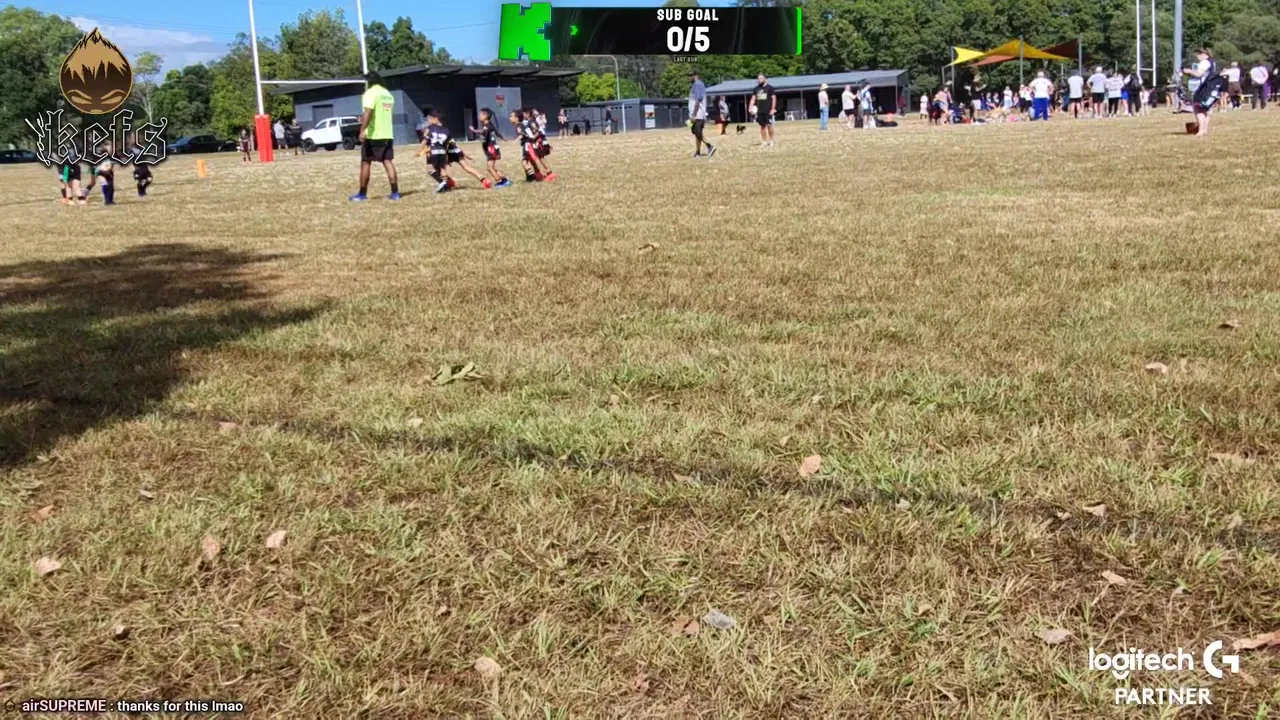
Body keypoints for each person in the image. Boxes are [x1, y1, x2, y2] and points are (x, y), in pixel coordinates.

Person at [350, 71, 400, 202]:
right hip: (387, 133)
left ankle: (362, 194)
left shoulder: (370, 93)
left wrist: (362, 130)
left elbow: (368, 113)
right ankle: (395, 193)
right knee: (387, 161)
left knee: (366, 162)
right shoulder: (387, 94)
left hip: (374, 135)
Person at [1186, 48, 1226, 137]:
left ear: (1203, 54)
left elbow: (1199, 74)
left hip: (1204, 88)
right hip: (1210, 87)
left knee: (1198, 109)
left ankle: (1201, 131)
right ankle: (1204, 130)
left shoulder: (1205, 62)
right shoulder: (1212, 62)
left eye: (1198, 54)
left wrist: (1188, 71)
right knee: (1205, 110)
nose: (1197, 57)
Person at [474, 108, 512, 188]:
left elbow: (484, 137)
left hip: (491, 149)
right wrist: (503, 138)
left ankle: (500, 182)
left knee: (490, 168)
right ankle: (505, 180)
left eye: (481, 115)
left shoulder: (486, 127)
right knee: (492, 167)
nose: (479, 116)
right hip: (494, 148)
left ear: (485, 116)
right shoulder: (490, 125)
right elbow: (497, 133)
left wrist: (481, 138)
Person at [688, 70, 716, 157]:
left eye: (690, 75)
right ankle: (698, 152)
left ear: (696, 75)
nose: (689, 77)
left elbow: (697, 101)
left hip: (698, 114)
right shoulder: (699, 84)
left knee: (698, 133)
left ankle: (709, 146)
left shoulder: (697, 85)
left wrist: (694, 114)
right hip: (699, 114)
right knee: (697, 133)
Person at [748, 73, 777, 148]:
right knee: (762, 126)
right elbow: (753, 99)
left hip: (768, 110)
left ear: (765, 79)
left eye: (761, 78)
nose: (759, 80)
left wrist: (773, 108)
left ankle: (771, 141)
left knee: (769, 125)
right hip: (760, 110)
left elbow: (774, 98)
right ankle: (764, 142)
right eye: (758, 78)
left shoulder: (770, 88)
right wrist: (750, 107)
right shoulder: (756, 89)